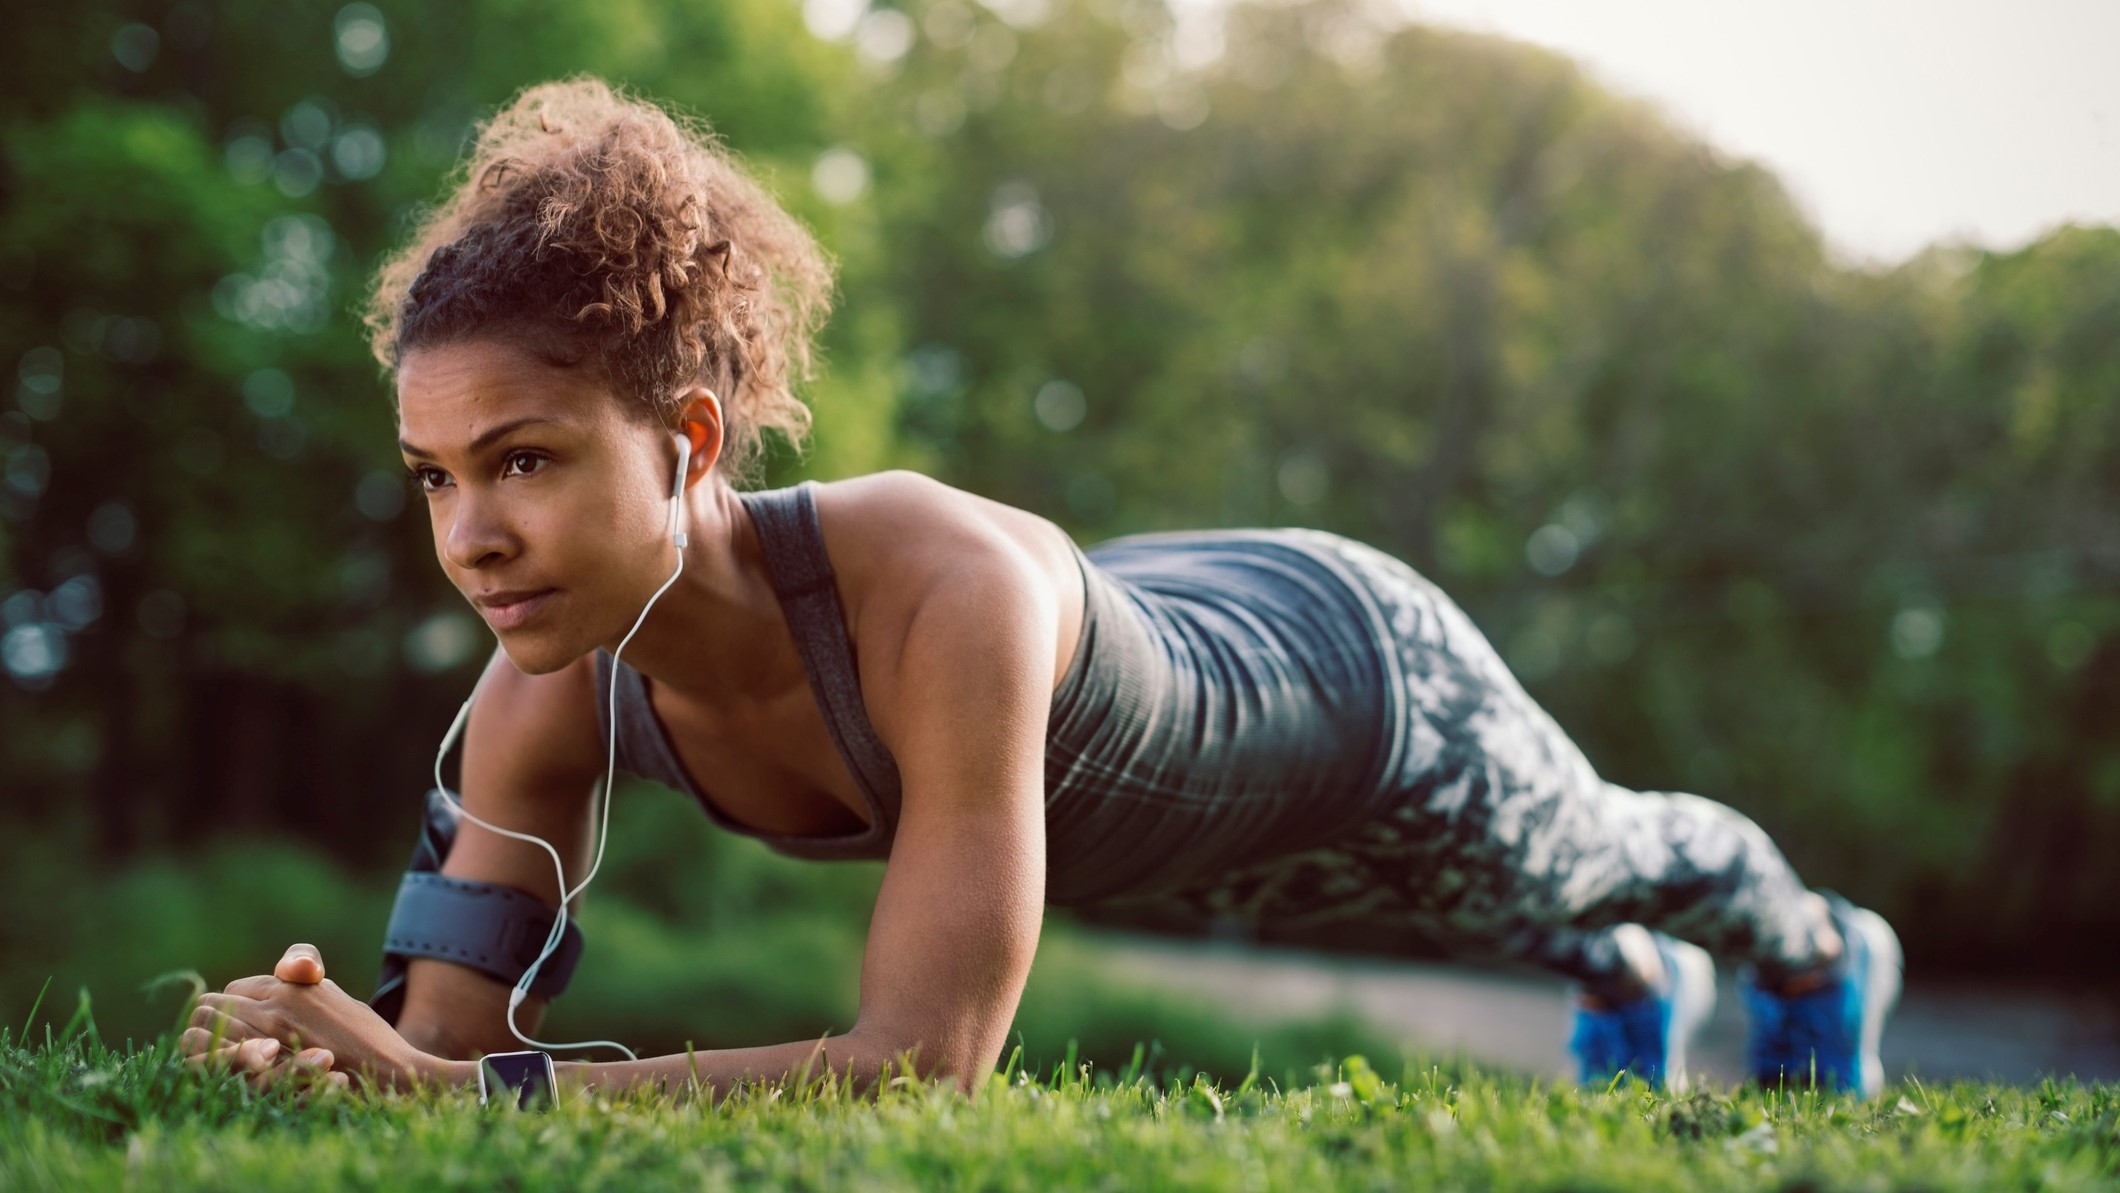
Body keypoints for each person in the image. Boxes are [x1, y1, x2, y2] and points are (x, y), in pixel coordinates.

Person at [179, 76, 1900, 1104]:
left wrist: (468, 1096)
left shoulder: (939, 590)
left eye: (527, 459)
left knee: (1583, 853)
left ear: (691, 440)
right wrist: (312, 1033)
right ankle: (1622, 984)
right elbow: (440, 1049)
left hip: (1351, 680)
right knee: (1446, 916)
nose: (470, 532)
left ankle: (1819, 954)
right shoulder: (535, 692)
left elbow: (923, 1062)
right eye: (436, 477)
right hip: (1168, 746)